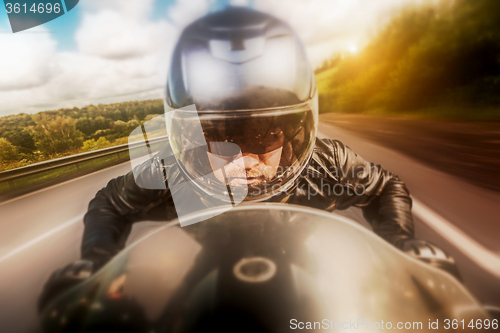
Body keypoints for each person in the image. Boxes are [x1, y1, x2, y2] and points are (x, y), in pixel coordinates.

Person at [39, 6, 459, 313]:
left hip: (301, 254)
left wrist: (403, 248)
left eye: (263, 135)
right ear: (185, 136)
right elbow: (110, 204)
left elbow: (386, 187)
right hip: (211, 257)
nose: (242, 161)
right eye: (216, 138)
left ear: (296, 129)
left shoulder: (327, 162)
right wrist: (93, 265)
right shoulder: (170, 170)